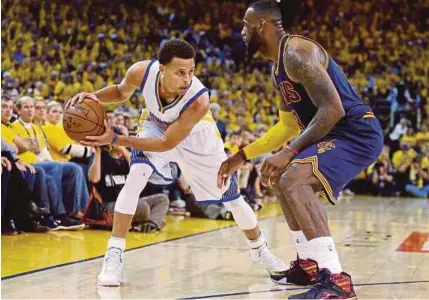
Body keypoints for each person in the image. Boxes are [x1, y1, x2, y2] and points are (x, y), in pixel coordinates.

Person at [67, 39, 288, 287]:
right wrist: (92, 97)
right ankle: (114, 254)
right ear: (162, 70)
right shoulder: (141, 72)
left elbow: (166, 144)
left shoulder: (198, 100)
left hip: (197, 138)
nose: (187, 78)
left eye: (191, 72)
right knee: (135, 179)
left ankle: (260, 249)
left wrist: (117, 138)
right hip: (155, 124)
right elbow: (119, 92)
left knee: (232, 199)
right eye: (180, 72)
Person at [217, 1, 383, 298]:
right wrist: (242, 156)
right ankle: (308, 263)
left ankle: (335, 279)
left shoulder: (297, 53)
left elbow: (333, 110)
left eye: (245, 24)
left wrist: (290, 152)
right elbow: (287, 127)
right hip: (331, 134)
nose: (241, 31)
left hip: (356, 132)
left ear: (262, 25)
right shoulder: (277, 67)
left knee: (293, 177)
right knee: (281, 177)